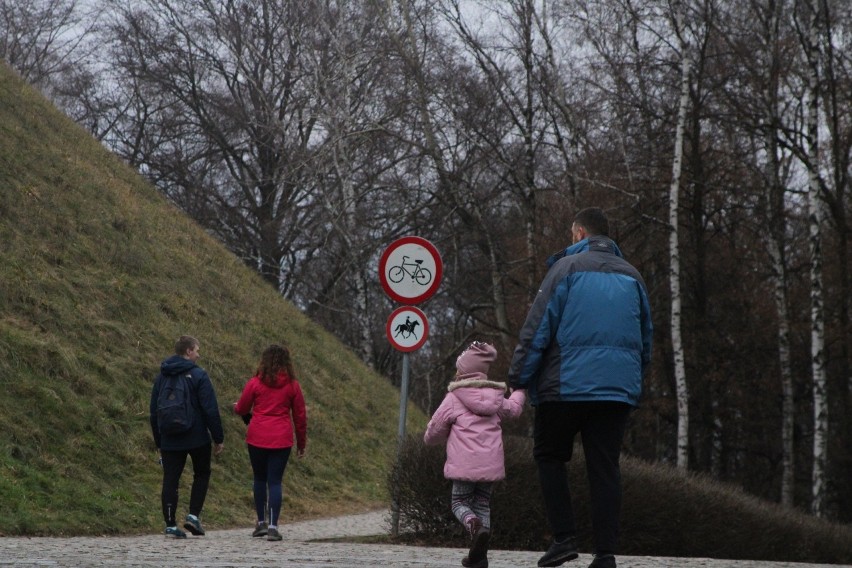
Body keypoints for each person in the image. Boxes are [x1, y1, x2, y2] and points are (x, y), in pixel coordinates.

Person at [508, 207, 653, 568]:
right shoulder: (633, 276)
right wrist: (629, 382)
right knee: (605, 468)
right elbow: (645, 340)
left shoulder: (565, 269)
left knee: (549, 455)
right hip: (616, 391)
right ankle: (605, 555)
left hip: (565, 386)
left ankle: (564, 538)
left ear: (579, 233)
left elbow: (537, 328)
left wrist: (518, 378)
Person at [424, 341, 526, 568]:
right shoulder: (497, 397)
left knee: (459, 503)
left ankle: (473, 525)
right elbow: (515, 410)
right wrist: (519, 391)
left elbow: (435, 429)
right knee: (482, 504)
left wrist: (434, 439)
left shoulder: (454, 397)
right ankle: (479, 557)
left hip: (464, 465)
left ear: (463, 371)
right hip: (490, 464)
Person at [150, 335, 225, 539]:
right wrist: (218, 438)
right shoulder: (199, 375)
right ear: (188, 351)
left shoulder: (162, 376)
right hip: (197, 437)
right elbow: (210, 409)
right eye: (197, 350)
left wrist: (159, 441)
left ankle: (170, 525)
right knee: (201, 473)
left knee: (170, 479)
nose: (199, 354)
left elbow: (154, 411)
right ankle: (193, 516)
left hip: (170, 439)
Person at [233, 344, 307, 542]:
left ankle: (260, 523)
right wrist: (301, 443)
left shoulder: (255, 383)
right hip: (281, 438)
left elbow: (242, 407)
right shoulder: (293, 385)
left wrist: (237, 408)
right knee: (275, 482)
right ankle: (274, 527)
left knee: (259, 479)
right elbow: (300, 416)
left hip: (257, 436)